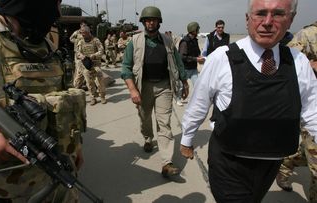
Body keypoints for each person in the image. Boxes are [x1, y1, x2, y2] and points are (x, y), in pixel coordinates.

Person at [180, 0, 317, 202]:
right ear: (247, 19)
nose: (268, 22)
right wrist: (187, 138)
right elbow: (200, 102)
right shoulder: (222, 58)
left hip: (271, 162)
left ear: (291, 20)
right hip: (229, 163)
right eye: (260, 13)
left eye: (278, 14)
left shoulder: (298, 62)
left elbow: (312, 112)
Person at [0, 0, 86, 202]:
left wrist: (73, 145)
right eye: (55, 2)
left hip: (60, 182)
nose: (58, 11)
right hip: (9, 193)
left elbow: (59, 102)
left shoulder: (44, 44)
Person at [121, 6, 189, 178]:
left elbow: (177, 62)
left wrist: (184, 81)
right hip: (143, 87)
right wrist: (132, 89)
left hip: (164, 87)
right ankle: (147, 138)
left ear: (159, 22)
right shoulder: (134, 41)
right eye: (147, 20)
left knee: (164, 122)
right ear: (143, 22)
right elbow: (126, 68)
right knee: (144, 118)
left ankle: (167, 162)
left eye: (154, 20)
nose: (151, 22)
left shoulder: (167, 40)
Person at [275, 20, 317, 202]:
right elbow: (286, 63)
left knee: (309, 151)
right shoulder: (308, 35)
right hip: (313, 107)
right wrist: (311, 66)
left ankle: (287, 162)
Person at [73, 26, 107, 105]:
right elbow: (77, 51)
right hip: (86, 64)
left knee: (99, 80)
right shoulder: (81, 41)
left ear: (88, 33)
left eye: (84, 34)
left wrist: (94, 55)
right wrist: (81, 56)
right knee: (89, 82)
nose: (82, 35)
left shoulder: (95, 41)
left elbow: (101, 50)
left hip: (95, 64)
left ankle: (102, 97)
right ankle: (93, 97)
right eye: (81, 34)